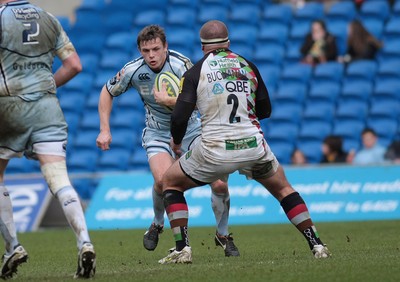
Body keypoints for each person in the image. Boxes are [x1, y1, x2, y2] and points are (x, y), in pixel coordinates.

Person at [158, 20, 331, 264]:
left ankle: (182, 249)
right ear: (228, 43)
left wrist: (176, 142)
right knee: (284, 189)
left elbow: (179, 116)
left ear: (202, 47)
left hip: (214, 150)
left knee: (170, 183)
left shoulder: (195, 72)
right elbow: (266, 109)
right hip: (253, 145)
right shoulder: (247, 66)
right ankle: (317, 244)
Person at [96, 25, 239, 257]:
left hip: (192, 129)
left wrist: (172, 101)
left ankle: (223, 234)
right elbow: (107, 91)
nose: (151, 55)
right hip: (157, 132)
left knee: (220, 184)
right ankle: (158, 223)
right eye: (145, 50)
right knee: (163, 182)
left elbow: (202, 100)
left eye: (155, 49)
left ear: (166, 47)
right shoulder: (133, 70)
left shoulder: (182, 65)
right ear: (140, 51)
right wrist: (104, 130)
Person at [0, 0, 96, 279]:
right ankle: (85, 241)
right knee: (59, 179)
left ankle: (12, 247)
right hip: (47, 107)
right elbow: (74, 65)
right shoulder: (49, 18)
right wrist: (42, 87)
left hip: (9, 107)